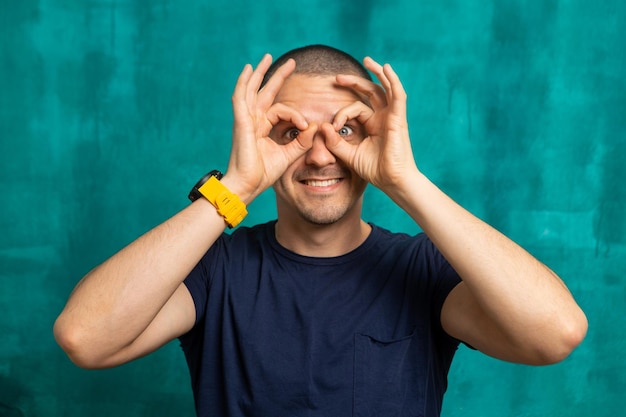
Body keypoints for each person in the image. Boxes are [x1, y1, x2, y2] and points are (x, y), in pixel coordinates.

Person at [54, 45, 588, 416]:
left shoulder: (421, 269)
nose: (318, 155)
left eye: (346, 130)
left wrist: (405, 181)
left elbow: (556, 333)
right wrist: (236, 187)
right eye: (290, 131)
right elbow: (84, 338)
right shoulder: (215, 269)